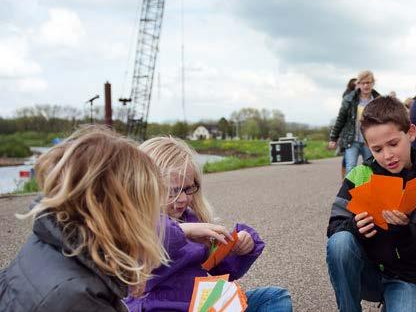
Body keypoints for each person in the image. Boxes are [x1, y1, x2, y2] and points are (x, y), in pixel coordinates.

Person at [0, 126, 167, 311]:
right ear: (120, 214)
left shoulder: (49, 244)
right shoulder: (76, 297)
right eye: (149, 208)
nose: (154, 219)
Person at [125, 137, 292, 311]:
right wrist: (183, 231)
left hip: (204, 305)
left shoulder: (191, 219)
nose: (183, 198)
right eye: (172, 191)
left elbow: (224, 272)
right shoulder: (134, 222)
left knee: (273, 297)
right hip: (160, 308)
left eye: (188, 188)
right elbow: (146, 237)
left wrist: (240, 246)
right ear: (143, 187)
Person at [326, 96, 416, 312]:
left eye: (393, 144)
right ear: (368, 147)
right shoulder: (359, 175)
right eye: (377, 149)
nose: (388, 155)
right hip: (368, 272)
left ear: (410, 133)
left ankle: (394, 302)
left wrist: (405, 231)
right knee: (340, 242)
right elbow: (335, 227)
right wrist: (355, 228)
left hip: (409, 277)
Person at [329, 70, 381, 171]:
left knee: (371, 168)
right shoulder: (349, 99)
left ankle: (369, 187)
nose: (366, 85)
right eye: (363, 83)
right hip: (352, 140)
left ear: (373, 83)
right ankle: (350, 187)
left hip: (370, 141)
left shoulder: (378, 100)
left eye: (368, 82)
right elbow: (340, 119)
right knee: (351, 167)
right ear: (359, 84)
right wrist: (333, 138)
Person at [338, 77, 358, 178]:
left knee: (348, 159)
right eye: (356, 85)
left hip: (359, 133)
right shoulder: (348, 97)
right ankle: (344, 178)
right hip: (348, 134)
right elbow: (342, 118)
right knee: (347, 159)